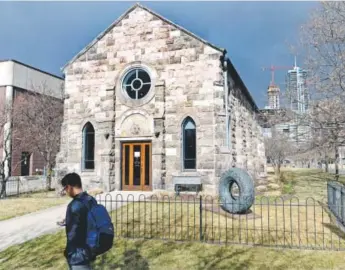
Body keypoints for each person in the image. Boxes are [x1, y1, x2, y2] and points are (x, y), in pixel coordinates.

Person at [61, 173, 97, 270]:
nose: (66, 192)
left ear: (69, 187)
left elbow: (72, 234)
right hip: (91, 249)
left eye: (65, 189)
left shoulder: (73, 206)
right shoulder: (91, 200)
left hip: (78, 254)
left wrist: (68, 253)